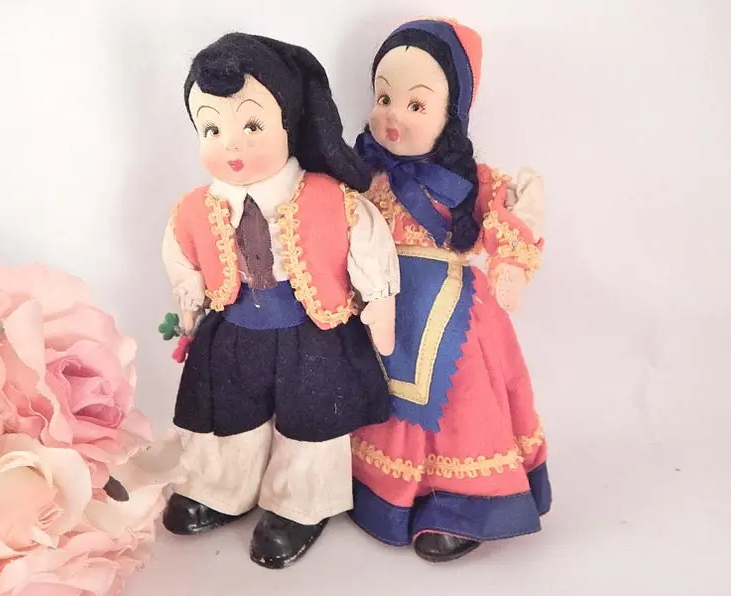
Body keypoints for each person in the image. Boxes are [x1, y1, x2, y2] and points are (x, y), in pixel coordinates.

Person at [160, 31, 399, 569]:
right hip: (234, 328)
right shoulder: (195, 207)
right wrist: (189, 295)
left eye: (251, 126)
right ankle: (220, 487)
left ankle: (300, 502)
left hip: (311, 329)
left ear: (288, 123)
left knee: (312, 419)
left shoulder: (330, 198)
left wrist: (380, 302)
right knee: (229, 412)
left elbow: (368, 242)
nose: (231, 145)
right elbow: (180, 252)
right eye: (212, 129)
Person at [348, 18, 551, 563]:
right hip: (378, 300)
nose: (393, 115)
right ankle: (379, 492)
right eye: (384, 98)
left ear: (451, 114)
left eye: (416, 104)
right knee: (378, 392)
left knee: (461, 400)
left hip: (452, 309)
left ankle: (459, 504)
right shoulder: (364, 175)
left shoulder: (469, 181)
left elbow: (511, 209)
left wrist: (511, 263)